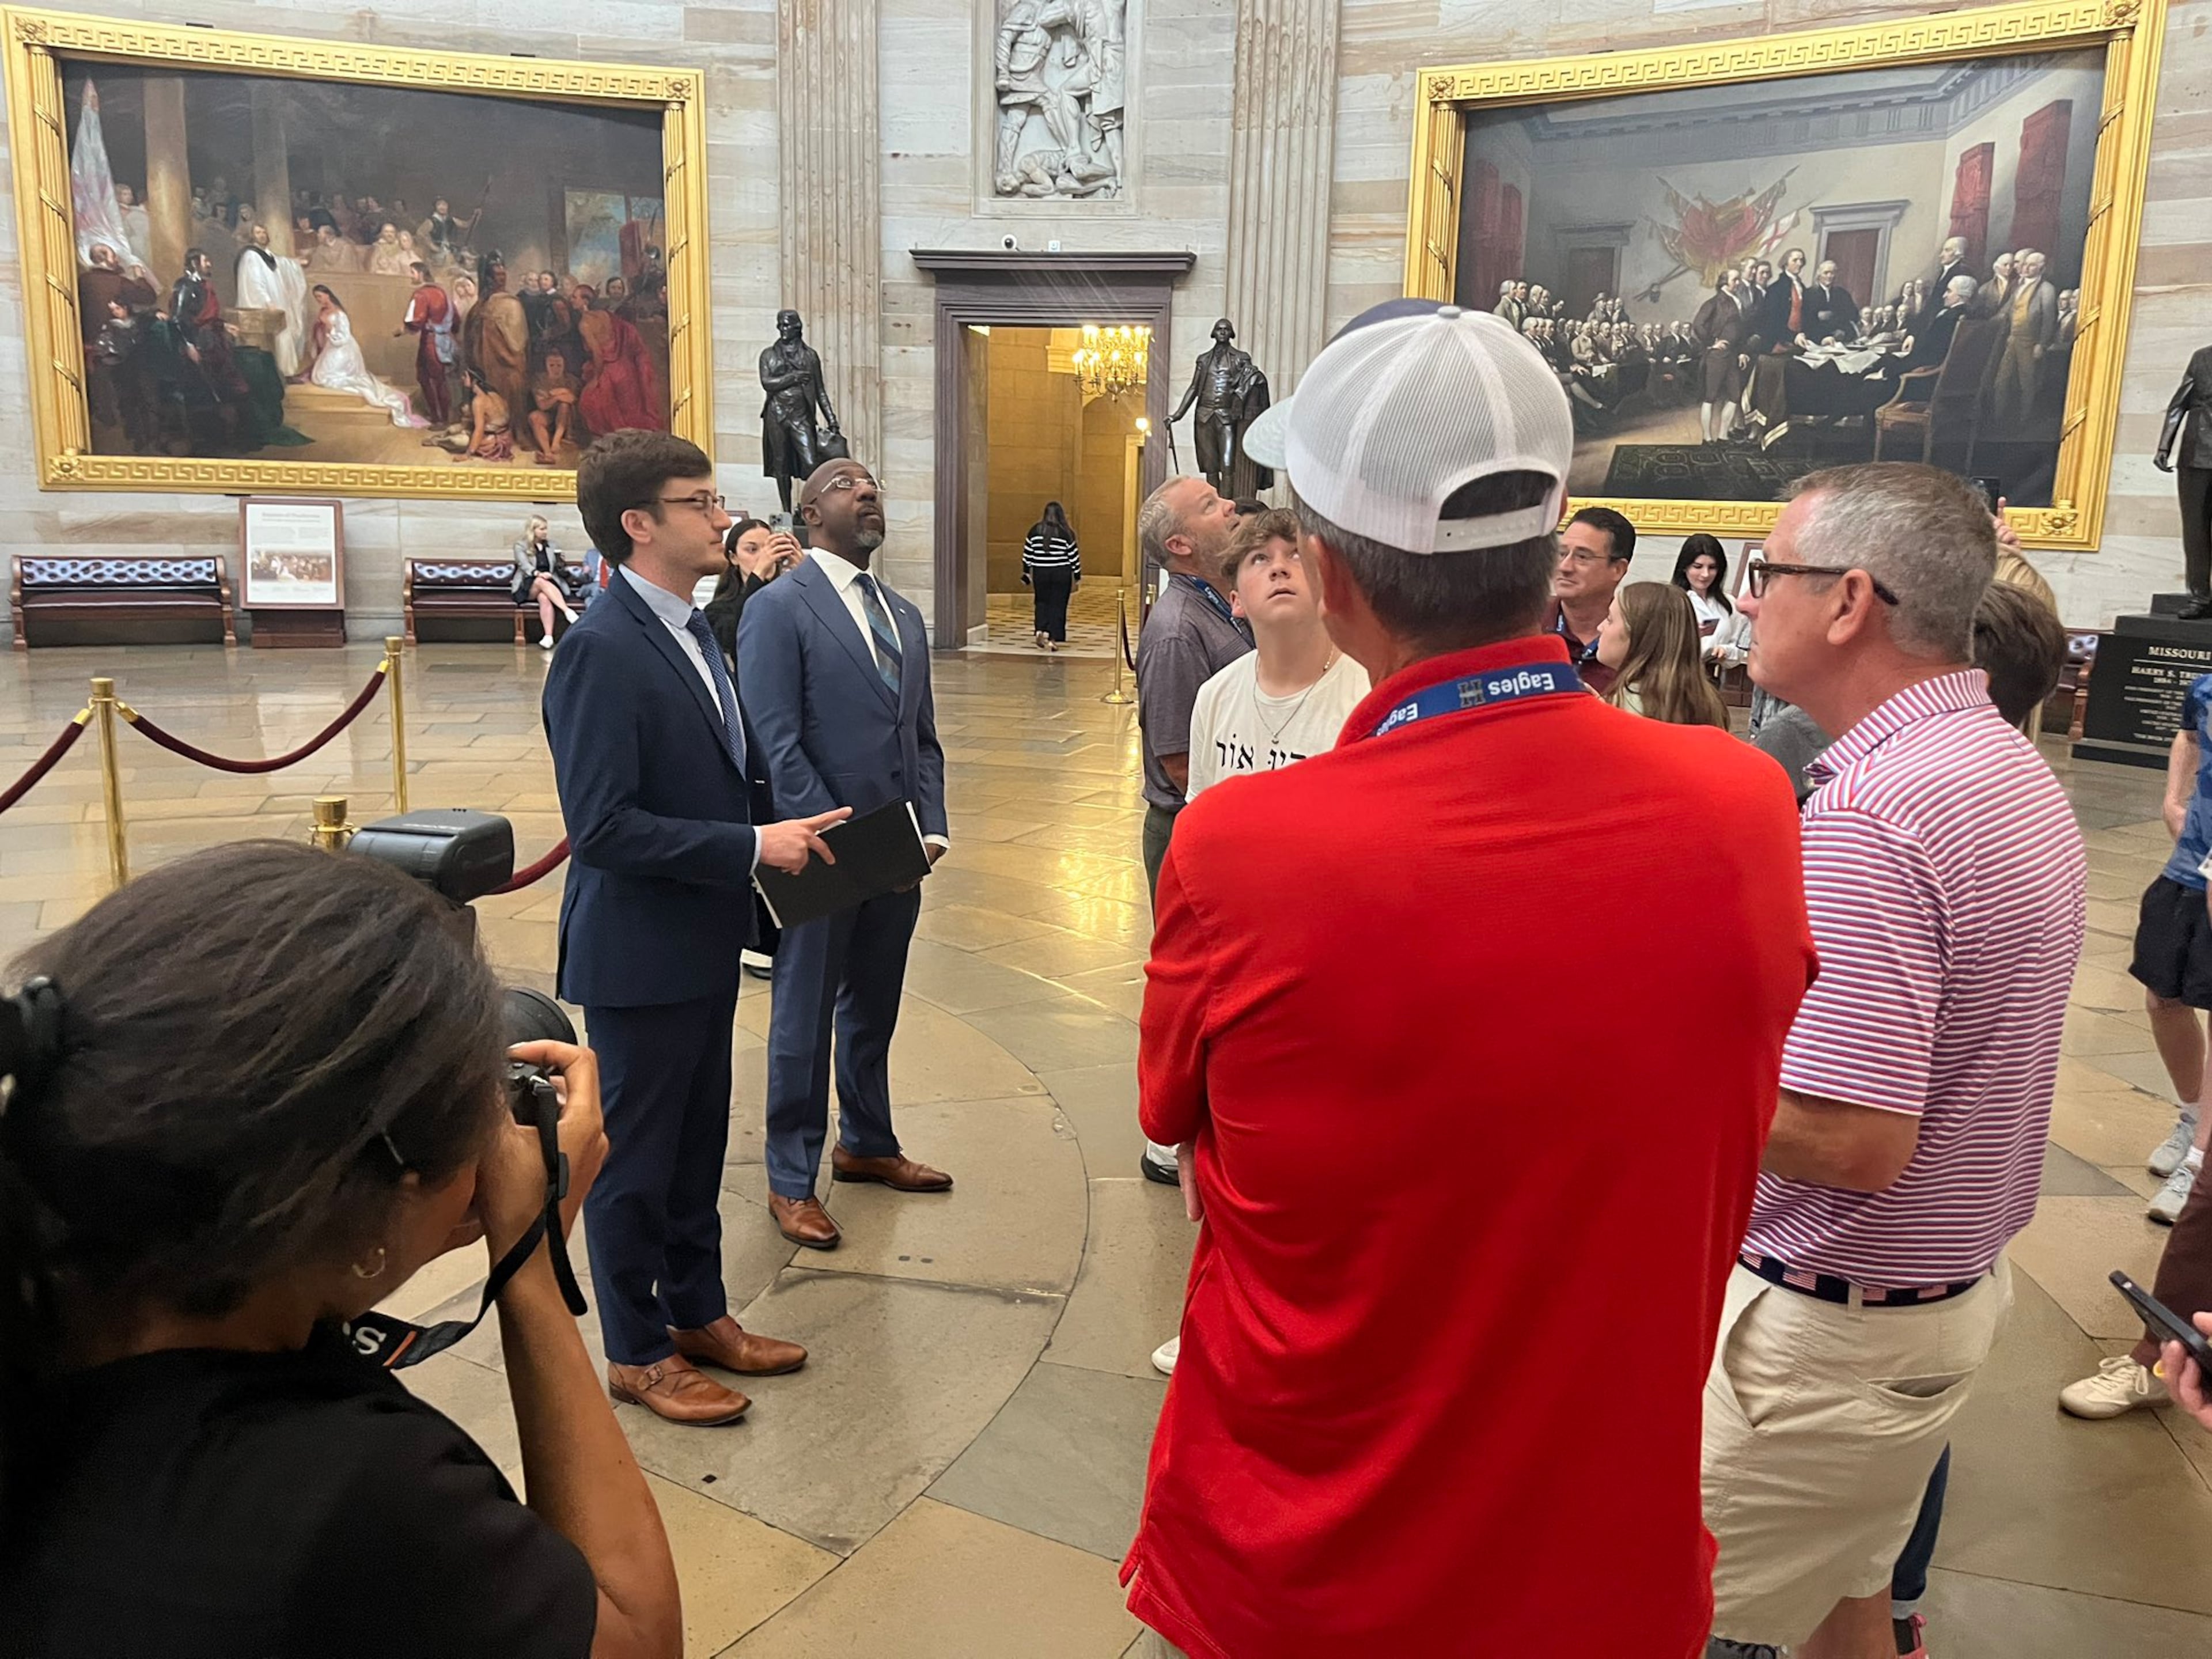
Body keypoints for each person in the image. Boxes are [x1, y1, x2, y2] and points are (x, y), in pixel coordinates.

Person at [1120, 300, 1813, 1658]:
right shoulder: (1740, 803)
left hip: (1308, 1550)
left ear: (1332, 572)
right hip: (1597, 1548)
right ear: (1551, 541)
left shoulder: (1243, 845)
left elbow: (1168, 1109)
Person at [0, 842, 683, 1657]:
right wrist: (528, 1258)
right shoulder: (348, 1492)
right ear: (380, 1198)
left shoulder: (52, 1300)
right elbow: (636, 1638)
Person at [1702, 464, 2086, 1659]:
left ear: (1849, 600)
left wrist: (1649, 1069)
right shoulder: (1998, 763)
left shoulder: (1875, 809)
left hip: (1832, 1333)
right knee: (1848, 1607)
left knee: (1643, 1612)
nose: (1750, 598)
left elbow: (1858, 1141)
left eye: (1770, 573)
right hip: (1928, 1305)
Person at [544, 431, 838, 1427]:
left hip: (702, 939)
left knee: (695, 1145)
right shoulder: (601, 648)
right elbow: (605, 826)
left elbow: (720, 771)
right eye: (701, 502)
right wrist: (754, 847)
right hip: (640, 952)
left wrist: (797, 837)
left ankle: (698, 1312)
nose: (726, 519)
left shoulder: (697, 626)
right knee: (633, 1157)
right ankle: (635, 1350)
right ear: (640, 524)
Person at [1145, 505, 1369, 1380]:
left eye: (1295, 558)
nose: (1279, 569)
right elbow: (1200, 839)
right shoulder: (1216, 697)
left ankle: (1321, 1333)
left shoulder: (1360, 695)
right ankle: (1213, 1315)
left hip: (1330, 962)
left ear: (1325, 586)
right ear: (1233, 596)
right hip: (1238, 961)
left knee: (1324, 1169)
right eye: (1259, 561)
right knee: (1224, 1161)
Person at [737, 459, 953, 1252]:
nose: (866, 490)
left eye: (872, 483)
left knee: (875, 1005)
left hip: (899, 848)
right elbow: (776, 737)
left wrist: (930, 829)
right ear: (809, 511)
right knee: (803, 1015)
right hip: (820, 850)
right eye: (845, 482)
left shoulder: (902, 613)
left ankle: (866, 1140)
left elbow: (922, 737)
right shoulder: (778, 609)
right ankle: (790, 1176)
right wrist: (825, 835)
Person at [2107, 652, 2212, 1230]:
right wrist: (2174, 797)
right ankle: (2192, 1114)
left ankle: (2201, 1159)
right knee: (2161, 995)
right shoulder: (2205, 687)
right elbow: (2189, 733)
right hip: (2188, 866)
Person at [1596, 582, 1730, 728]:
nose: (1600, 627)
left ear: (1638, 634)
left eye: (1610, 620)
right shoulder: (1708, 702)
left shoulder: (1623, 706)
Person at [304, 286, 423, 428]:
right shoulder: (323, 311)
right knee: (320, 376)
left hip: (342, 348)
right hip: (331, 346)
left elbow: (344, 336)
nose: (319, 300)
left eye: (320, 296)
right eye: (316, 298)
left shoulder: (340, 314)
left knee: (328, 377)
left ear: (328, 295)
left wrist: (330, 329)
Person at [1545, 504, 1633, 692]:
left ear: (1618, 569)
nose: (1565, 567)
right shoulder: (1525, 624)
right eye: (1562, 554)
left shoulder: (1636, 640)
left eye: (1583, 557)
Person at [703, 517, 803, 671]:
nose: (766, 556)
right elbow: (739, 644)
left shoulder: (791, 600)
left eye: (770, 548)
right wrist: (758, 576)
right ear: (734, 558)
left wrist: (806, 576)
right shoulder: (718, 611)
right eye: (752, 550)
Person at [1673, 532, 1749, 664]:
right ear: (1685, 567)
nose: (1705, 574)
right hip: (1676, 676)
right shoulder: (1671, 602)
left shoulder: (1729, 604)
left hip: (1711, 677)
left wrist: (1726, 651)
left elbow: (1740, 648)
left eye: (1712, 568)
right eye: (1698, 567)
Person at [397, 261, 456, 427]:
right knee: (438, 379)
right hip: (444, 339)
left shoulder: (421, 294)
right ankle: (441, 416)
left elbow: (416, 321)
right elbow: (456, 319)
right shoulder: (443, 292)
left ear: (421, 274)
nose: (411, 276)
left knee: (428, 378)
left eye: (413, 273)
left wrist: (404, 329)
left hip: (430, 341)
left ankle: (439, 419)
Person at [512, 513, 583, 650]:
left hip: (550, 583)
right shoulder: (521, 546)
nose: (545, 532)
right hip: (528, 584)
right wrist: (538, 573)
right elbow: (524, 565)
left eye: (546, 529)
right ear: (533, 530)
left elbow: (558, 567)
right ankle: (568, 611)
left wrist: (560, 562)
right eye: (542, 529)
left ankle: (548, 637)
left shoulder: (552, 545)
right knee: (540, 581)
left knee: (544, 598)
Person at [1021, 501, 1082, 650]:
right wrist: (1077, 574)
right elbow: (1073, 556)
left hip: (1041, 572)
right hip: (1061, 572)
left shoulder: (1035, 531)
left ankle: (1040, 629)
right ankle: (1054, 637)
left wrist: (1026, 571)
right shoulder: (1066, 533)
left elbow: (1027, 554)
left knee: (1041, 602)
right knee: (1058, 604)